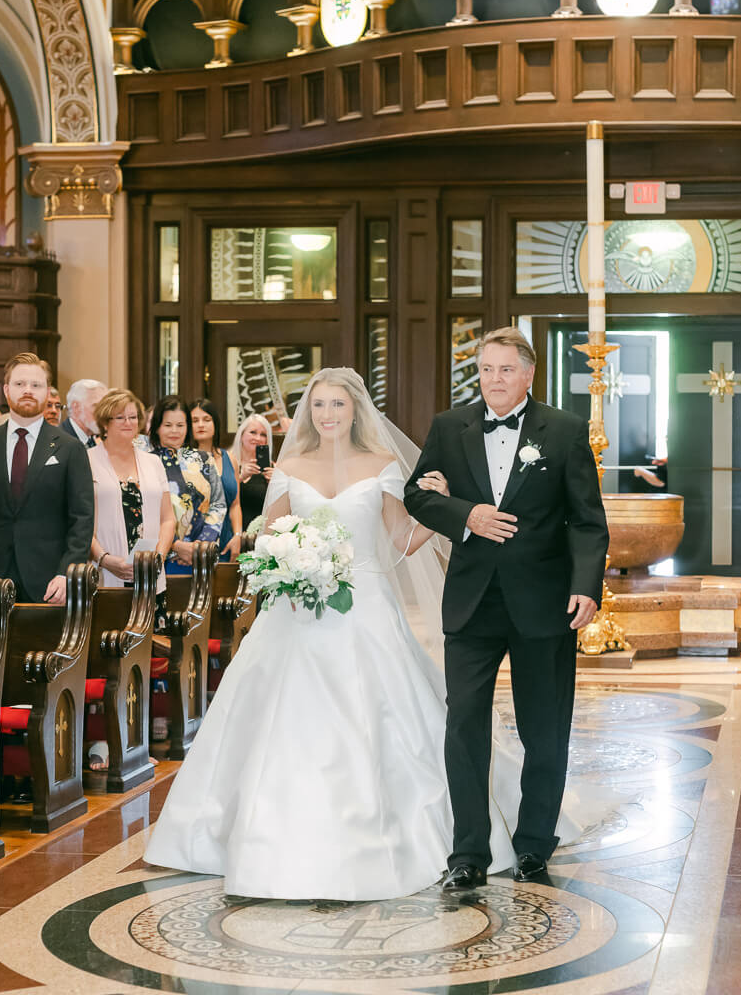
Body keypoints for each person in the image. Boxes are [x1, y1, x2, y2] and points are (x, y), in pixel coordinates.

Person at [144, 367, 609, 901]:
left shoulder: (383, 465)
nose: (327, 416)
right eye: (318, 406)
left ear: (356, 411)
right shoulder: (290, 466)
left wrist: (442, 509)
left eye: (338, 406)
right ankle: (261, 836)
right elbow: (265, 536)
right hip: (295, 613)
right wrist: (285, 563)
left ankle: (444, 837)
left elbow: (400, 539)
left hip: (365, 608)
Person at [404, 326, 609, 889]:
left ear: (528, 374)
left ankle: (535, 845)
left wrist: (587, 585)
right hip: (471, 603)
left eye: (505, 370)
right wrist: (465, 514)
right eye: (486, 369)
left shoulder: (565, 431)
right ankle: (468, 852)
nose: (494, 379)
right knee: (463, 724)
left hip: (544, 603)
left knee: (545, 730)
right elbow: (415, 494)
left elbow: (588, 520)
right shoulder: (451, 426)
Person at [0, 352, 94, 612]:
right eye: (20, 384)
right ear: (6, 390)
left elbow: (81, 520)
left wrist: (66, 573)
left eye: (36, 385)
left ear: (47, 393)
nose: (27, 391)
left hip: (50, 585)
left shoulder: (70, 449)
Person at [87, 388, 175, 770]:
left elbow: (169, 517)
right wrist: (106, 559)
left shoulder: (153, 462)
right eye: (120, 417)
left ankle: (136, 742)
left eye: (134, 417)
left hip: (148, 579)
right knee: (106, 662)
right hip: (106, 576)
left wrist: (159, 554)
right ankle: (101, 742)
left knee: (140, 661)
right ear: (104, 423)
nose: (128, 424)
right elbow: (79, 522)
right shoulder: (87, 461)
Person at [147, 395, 226, 576]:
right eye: (167, 425)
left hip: (200, 556)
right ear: (157, 427)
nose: (174, 431)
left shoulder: (204, 459)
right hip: (160, 555)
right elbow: (145, 510)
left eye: (180, 425)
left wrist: (200, 546)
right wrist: (175, 546)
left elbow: (218, 504)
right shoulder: (146, 461)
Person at [189, 399, 242, 559]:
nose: (200, 425)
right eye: (194, 421)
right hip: (194, 540)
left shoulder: (229, 458)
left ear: (215, 424)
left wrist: (238, 535)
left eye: (206, 420)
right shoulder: (183, 460)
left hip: (227, 539)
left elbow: (235, 503)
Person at [229, 413, 274, 530]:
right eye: (253, 432)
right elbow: (220, 496)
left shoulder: (273, 467)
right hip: (231, 530)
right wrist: (241, 477)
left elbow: (277, 507)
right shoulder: (228, 461)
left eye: (263, 435)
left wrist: (274, 485)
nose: (258, 438)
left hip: (260, 532)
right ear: (242, 435)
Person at [62, 378, 107, 447]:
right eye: (96, 406)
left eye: (105, 407)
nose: (103, 413)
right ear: (76, 407)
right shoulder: (58, 441)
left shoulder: (94, 440)